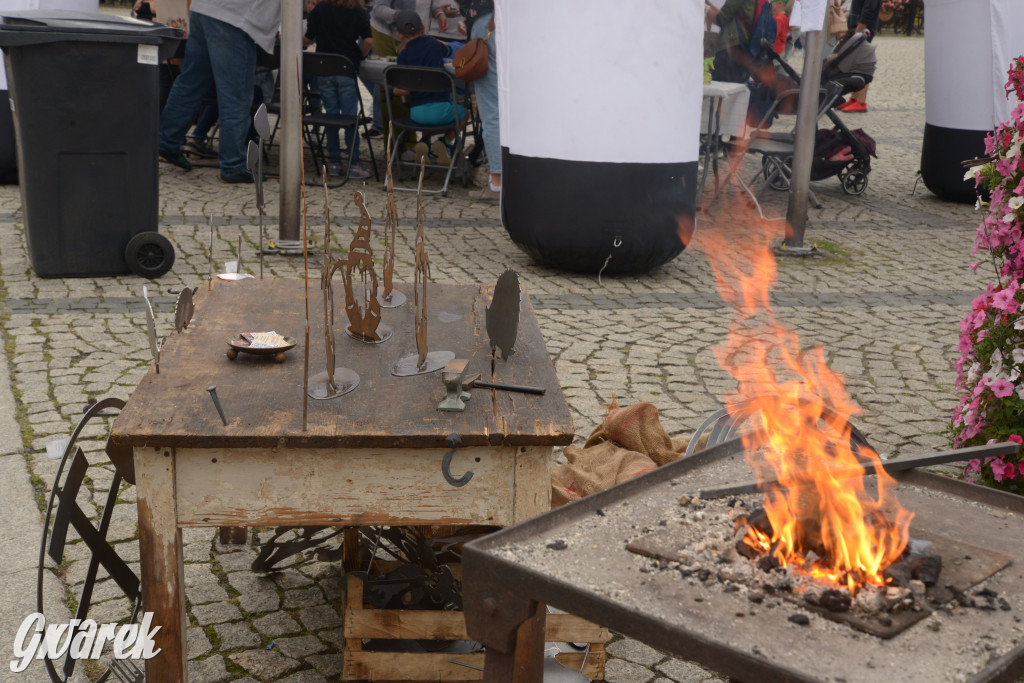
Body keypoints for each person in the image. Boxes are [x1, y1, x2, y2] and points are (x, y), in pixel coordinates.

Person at [158, 0, 281, 184]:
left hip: (206, 9)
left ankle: (167, 140)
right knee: (236, 96)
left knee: (190, 83)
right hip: (232, 17)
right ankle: (233, 164)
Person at [304, 0, 374, 179]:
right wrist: (361, 54)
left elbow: (307, 38)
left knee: (331, 116)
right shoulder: (357, 10)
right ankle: (353, 162)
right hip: (346, 65)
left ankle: (334, 162)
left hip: (324, 65)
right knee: (350, 116)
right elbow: (368, 39)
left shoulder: (320, 8)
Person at [393, 10, 465, 165]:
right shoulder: (433, 44)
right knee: (465, 113)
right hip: (440, 109)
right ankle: (445, 141)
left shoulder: (403, 56)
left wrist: (394, 90)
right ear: (424, 28)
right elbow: (450, 51)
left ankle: (425, 141)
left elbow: (404, 90)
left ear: (399, 34)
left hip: (416, 114)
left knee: (427, 109)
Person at [461, 0, 498, 201]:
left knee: (492, 115)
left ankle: (497, 183)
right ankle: (502, 180)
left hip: (489, 23)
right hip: (502, 22)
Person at [837, 0, 879, 112]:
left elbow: (869, 10)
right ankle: (854, 98)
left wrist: (858, 31)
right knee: (855, 64)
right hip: (856, 27)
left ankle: (861, 101)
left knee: (862, 65)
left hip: (863, 29)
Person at [705, 0, 758, 84]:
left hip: (730, 49)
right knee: (735, 88)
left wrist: (705, 9)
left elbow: (721, 19)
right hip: (743, 48)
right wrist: (709, 5)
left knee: (722, 88)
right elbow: (726, 15)